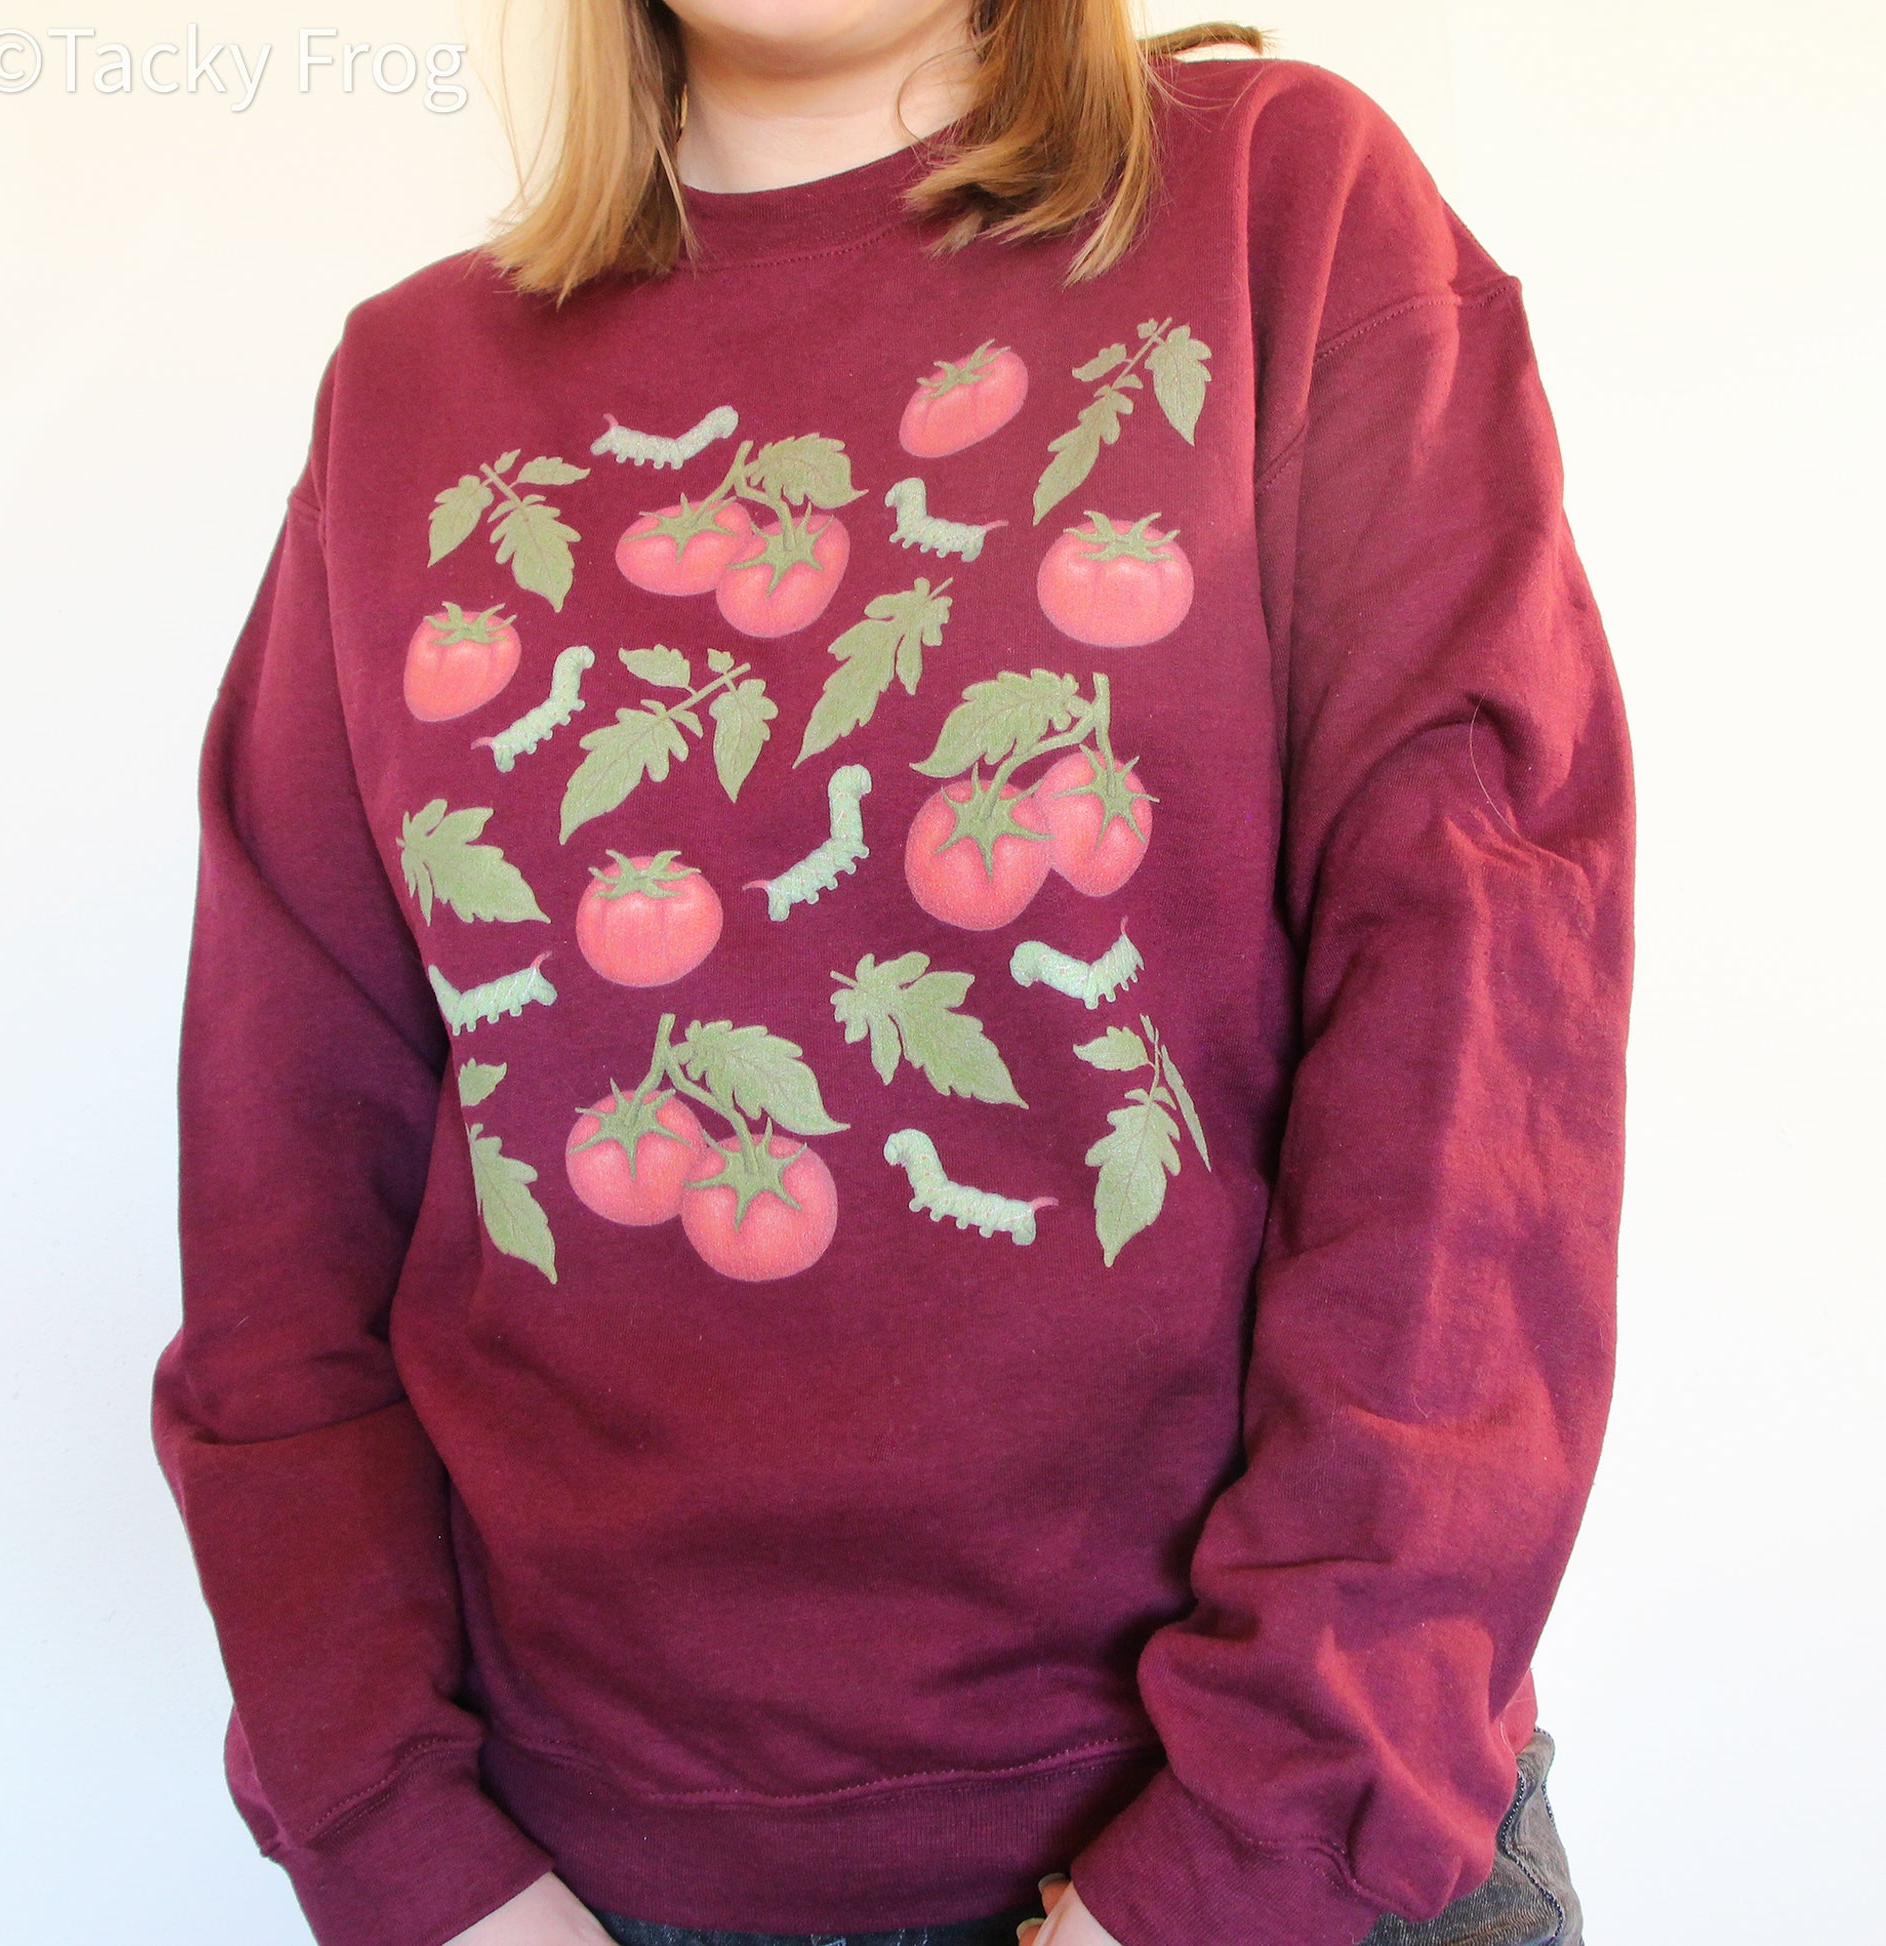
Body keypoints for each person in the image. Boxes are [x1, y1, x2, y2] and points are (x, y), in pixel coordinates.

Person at [151, 1, 1633, 1942]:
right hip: (583, 1884)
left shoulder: (1281, 209)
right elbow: (279, 1200)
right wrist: (406, 1851)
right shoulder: (410, 392)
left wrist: (1255, 1837)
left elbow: (1477, 1064)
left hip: (1270, 1853)